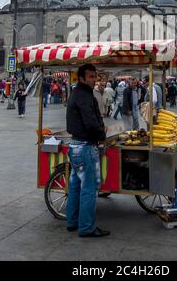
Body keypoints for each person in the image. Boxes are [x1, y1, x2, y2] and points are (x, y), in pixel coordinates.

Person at [66, 63, 109, 237]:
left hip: (75, 146)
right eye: (90, 76)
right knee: (89, 188)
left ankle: (72, 221)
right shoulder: (84, 95)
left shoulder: (77, 92)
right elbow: (90, 123)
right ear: (82, 78)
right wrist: (101, 133)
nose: (94, 80)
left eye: (95, 76)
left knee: (75, 186)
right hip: (85, 147)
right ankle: (86, 227)